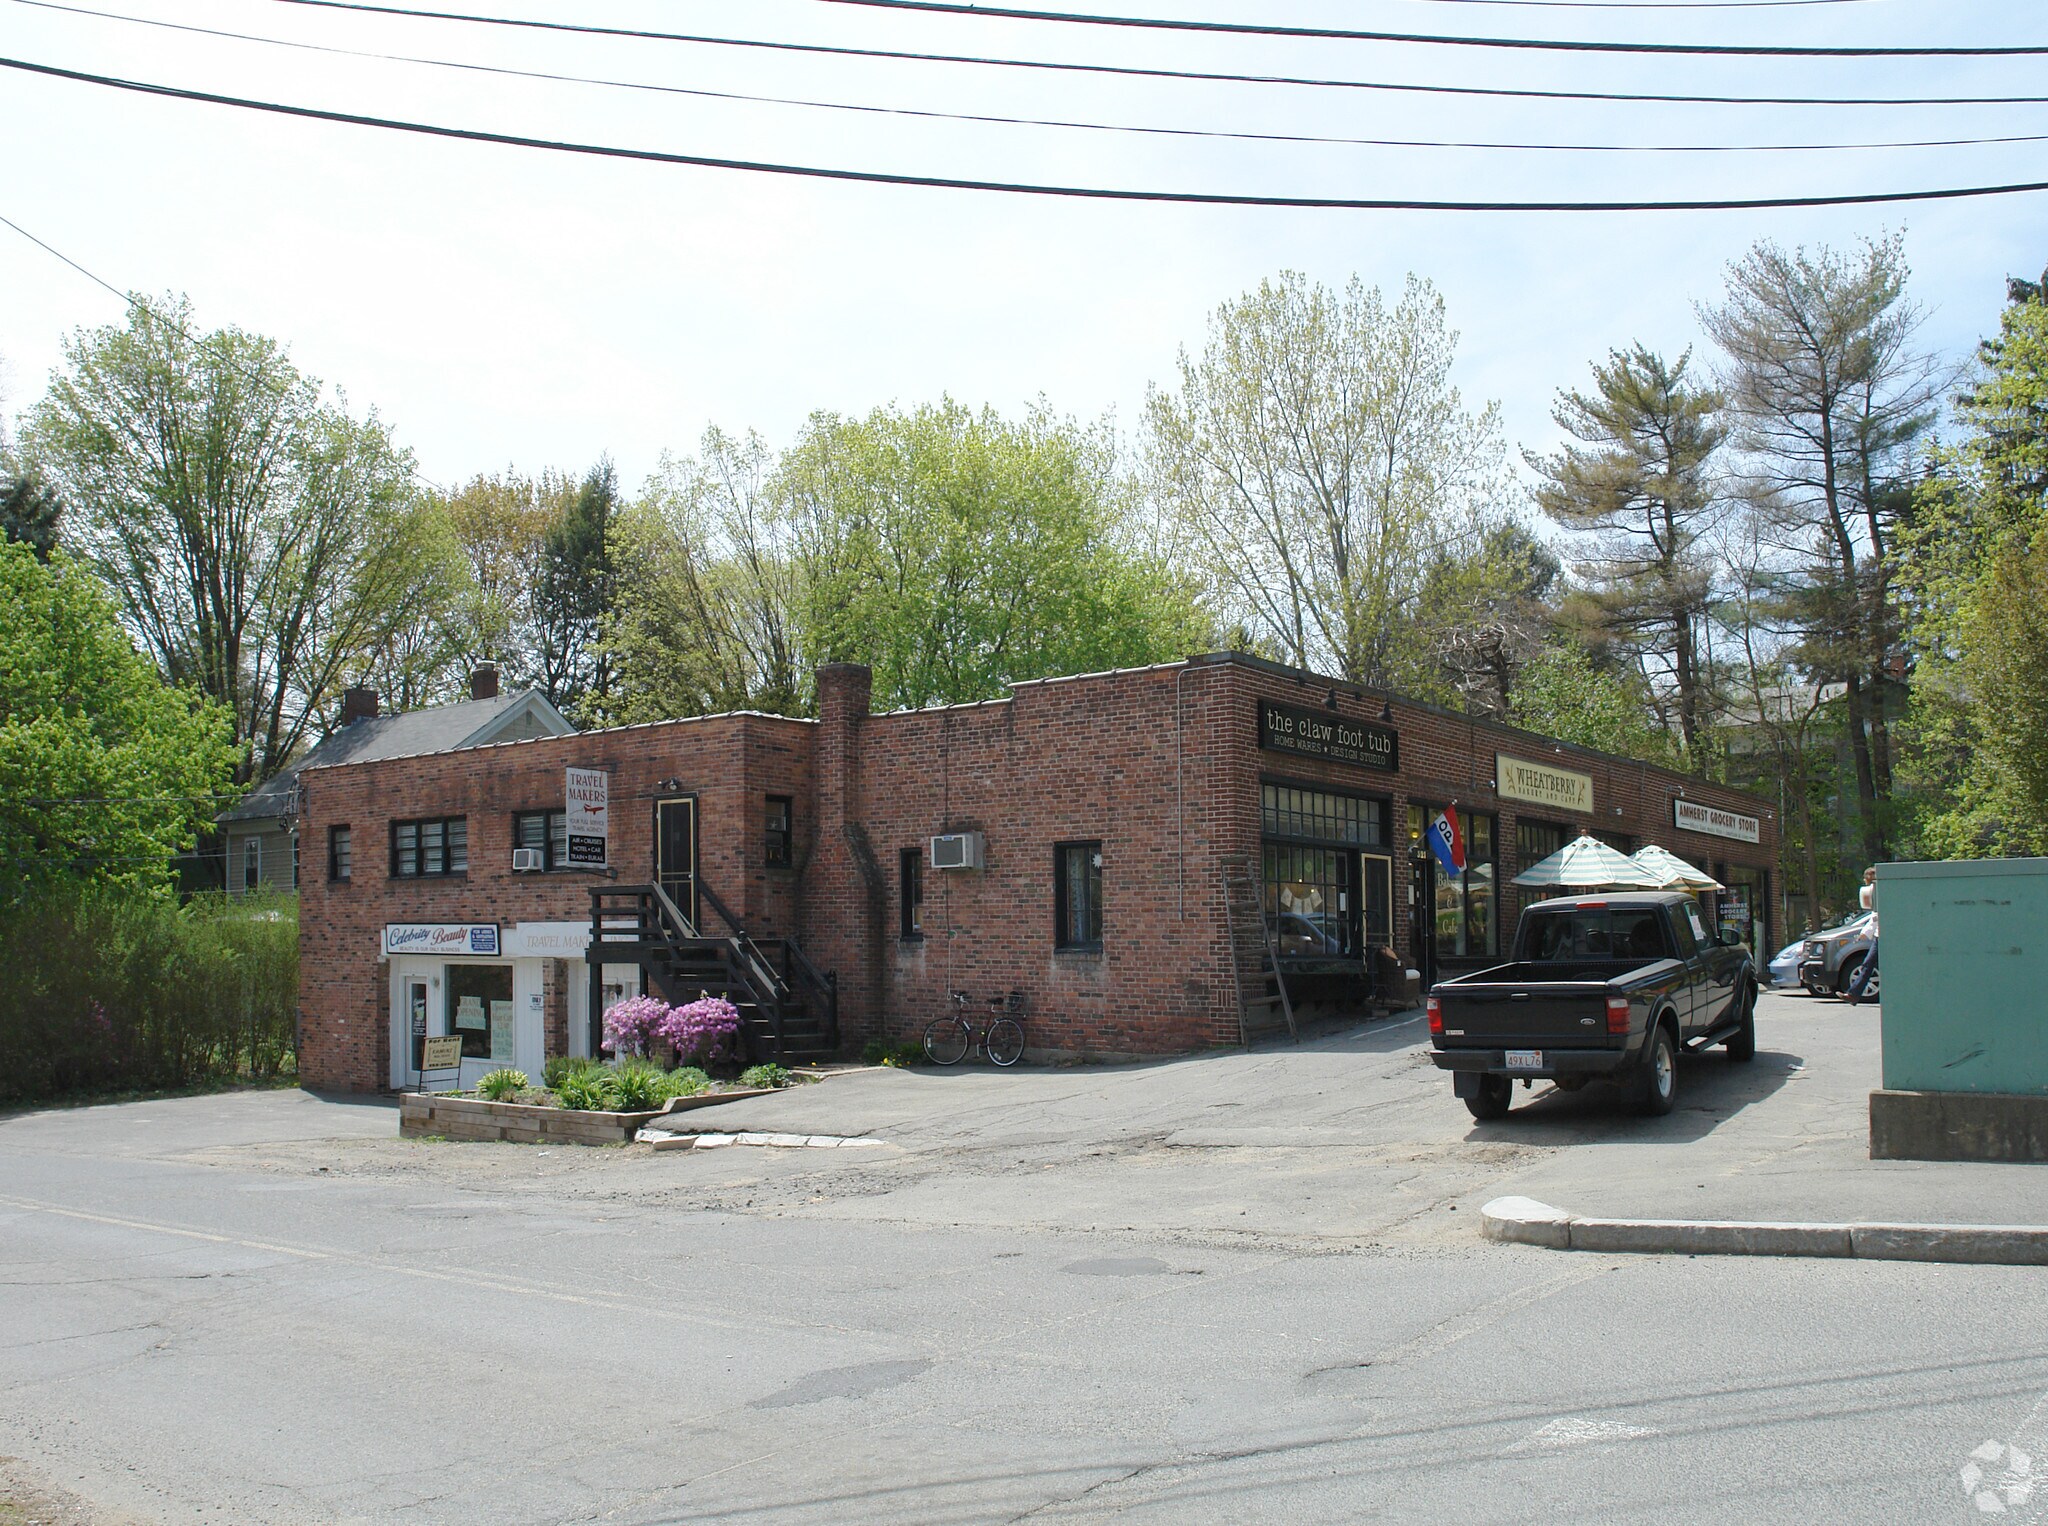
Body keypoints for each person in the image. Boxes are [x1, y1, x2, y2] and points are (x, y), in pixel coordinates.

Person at [1845, 866, 1880, 1005]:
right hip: (1879, 936)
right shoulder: (1876, 894)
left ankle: (1853, 994)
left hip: (1883, 936)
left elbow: (1875, 918)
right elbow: (1874, 917)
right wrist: (1864, 934)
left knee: (1868, 964)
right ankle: (1853, 994)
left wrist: (1865, 934)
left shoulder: (1878, 893)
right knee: (1868, 964)